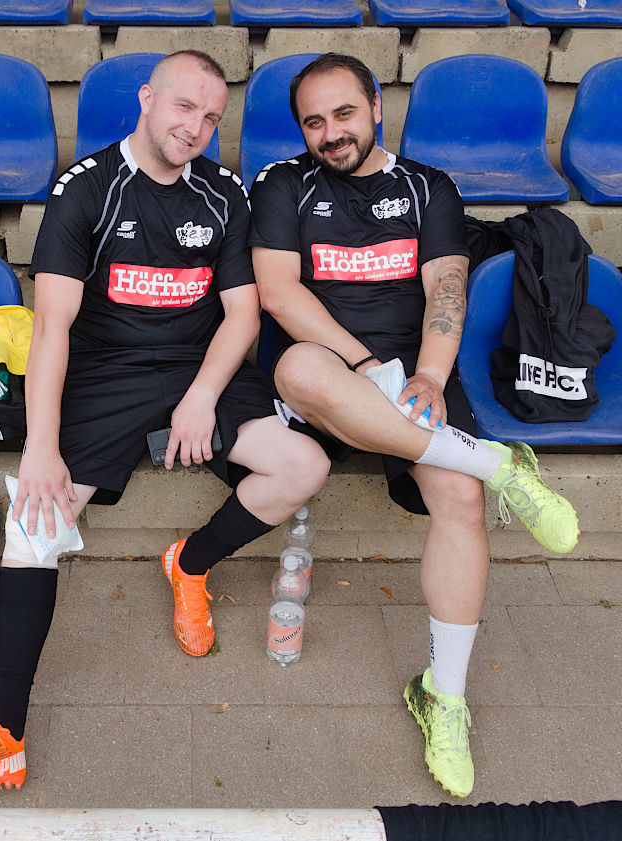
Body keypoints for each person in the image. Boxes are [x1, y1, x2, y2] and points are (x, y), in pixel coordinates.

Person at [0, 50, 330, 790]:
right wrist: (42, 447)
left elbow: (241, 314)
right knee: (36, 523)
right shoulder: (89, 188)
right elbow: (51, 330)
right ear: (146, 98)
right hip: (104, 374)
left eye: (210, 118)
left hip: (196, 367)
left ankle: (189, 562)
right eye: (183, 108)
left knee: (305, 466)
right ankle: (3, 733)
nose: (196, 127)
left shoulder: (222, 191)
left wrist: (201, 396)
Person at [248, 53, 579, 799]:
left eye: (343, 113)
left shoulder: (427, 186)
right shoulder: (282, 183)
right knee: (299, 368)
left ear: (375, 106)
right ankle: (500, 464)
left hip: (414, 373)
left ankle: (445, 696)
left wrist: (427, 374)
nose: (330, 133)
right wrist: (366, 363)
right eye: (313, 121)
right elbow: (277, 288)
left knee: (458, 502)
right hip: (335, 367)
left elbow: (446, 286)